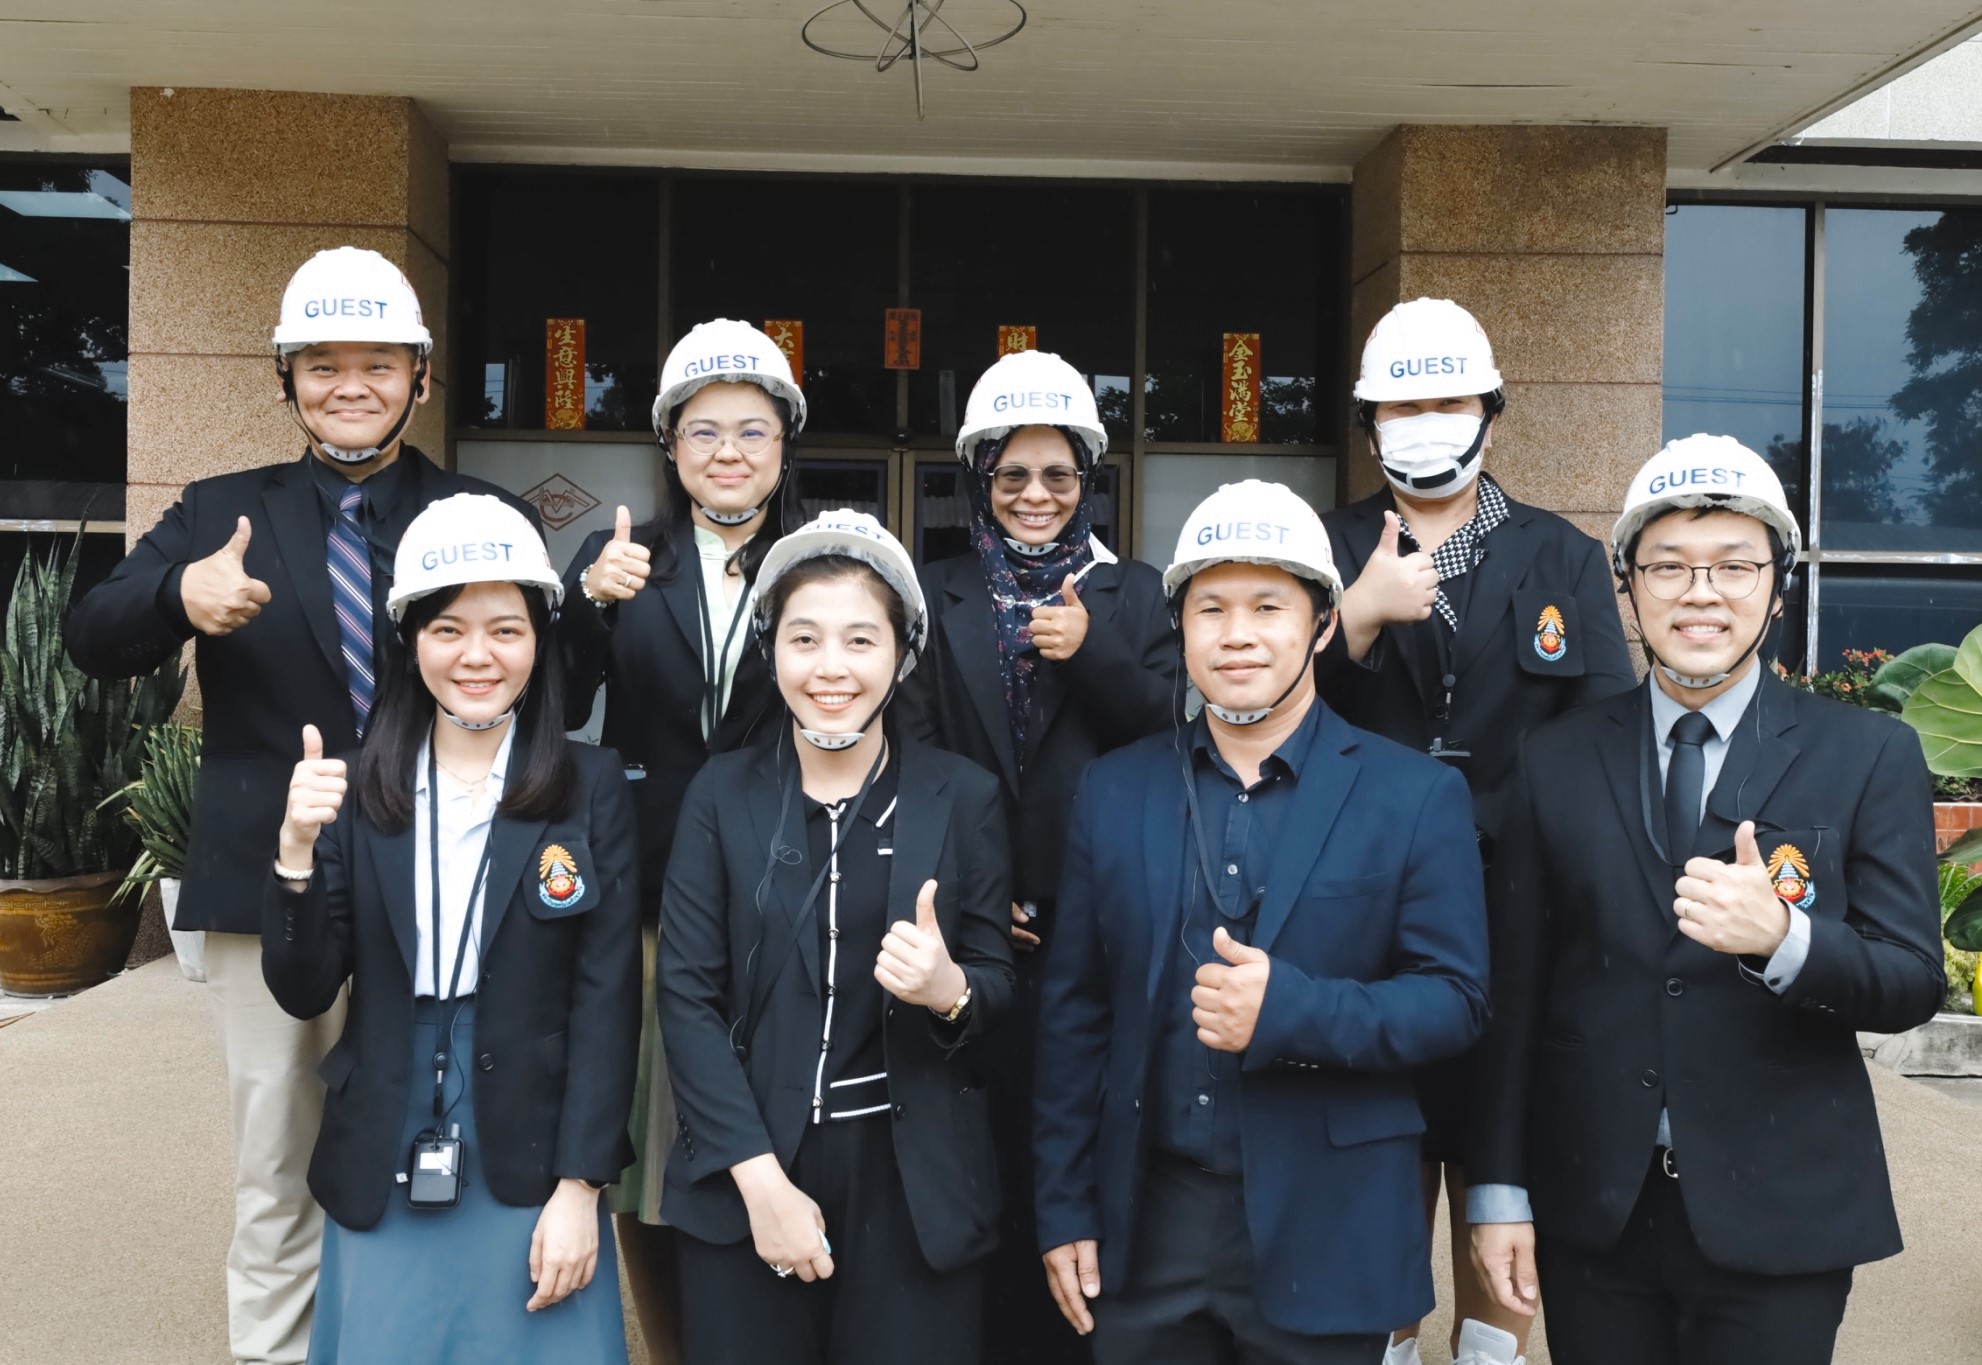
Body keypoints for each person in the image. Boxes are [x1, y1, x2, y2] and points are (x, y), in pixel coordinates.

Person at [64, 247, 537, 1365]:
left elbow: (549, 671)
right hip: (267, 877)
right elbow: (89, 636)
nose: (351, 386)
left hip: (450, 872)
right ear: (286, 380)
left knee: (451, 1132)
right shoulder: (220, 510)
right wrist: (178, 593)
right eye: (323, 365)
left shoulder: (479, 513)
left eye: (379, 364)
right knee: (279, 1154)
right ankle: (277, 1352)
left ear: (421, 377)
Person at [1467, 435, 1945, 1365]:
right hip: (1593, 1206)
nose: (1701, 592)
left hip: (1782, 1206)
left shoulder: (1867, 755)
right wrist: (1497, 1189)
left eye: (1734, 565)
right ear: (1628, 586)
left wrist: (1786, 938)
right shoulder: (1555, 758)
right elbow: (1513, 994)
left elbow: (1911, 979)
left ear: (1777, 587)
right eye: (1669, 566)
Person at [1033, 479, 1490, 1365]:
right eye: (1210, 608)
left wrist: (1293, 1009)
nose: (1236, 633)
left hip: (1331, 1224)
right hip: (1146, 1225)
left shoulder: (1415, 794)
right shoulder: (1114, 789)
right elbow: (1074, 1015)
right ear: (1180, 628)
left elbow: (1456, 1000)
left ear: (1323, 622)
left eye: (1268, 606)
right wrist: (1063, 1205)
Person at [1317, 297, 1634, 1365]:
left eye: (1446, 402)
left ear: (1491, 412)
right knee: (1378, 1157)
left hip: (1522, 915)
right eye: (1399, 407)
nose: (1423, 424)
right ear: (1369, 422)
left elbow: (1606, 735)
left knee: (1507, 1169)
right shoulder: (1325, 546)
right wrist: (1356, 616)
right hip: (1362, 918)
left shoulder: (1563, 557)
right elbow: (1255, 707)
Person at [261, 492, 639, 1363]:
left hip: (534, 1139)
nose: (477, 656)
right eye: (448, 630)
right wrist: (293, 852)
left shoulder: (589, 786)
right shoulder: (355, 786)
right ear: (409, 640)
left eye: (506, 629)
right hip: (384, 1125)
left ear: (539, 640)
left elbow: (607, 1002)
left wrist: (582, 1186)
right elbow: (303, 988)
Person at [659, 510, 1017, 1365]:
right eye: (804, 638)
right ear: (770, 649)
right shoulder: (720, 793)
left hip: (914, 1184)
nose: (830, 667)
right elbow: (686, 995)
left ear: (902, 652)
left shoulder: (963, 796)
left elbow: (999, 981)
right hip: (749, 1164)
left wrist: (949, 989)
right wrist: (760, 1183)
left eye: (860, 640)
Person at [898, 348, 1177, 1364]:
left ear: (1087, 480)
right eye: (1011, 474)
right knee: (988, 1146)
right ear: (980, 478)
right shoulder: (935, 591)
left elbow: (1167, 736)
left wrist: (1090, 651)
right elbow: (918, 754)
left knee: (1084, 1142)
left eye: (1058, 474)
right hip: (978, 929)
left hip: (1101, 925)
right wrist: (985, 893)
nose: (1034, 494)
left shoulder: (1135, 593)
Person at [555, 318, 806, 1359]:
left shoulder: (822, 555)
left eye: (752, 430)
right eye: (704, 430)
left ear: (784, 443)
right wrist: (585, 606)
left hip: (793, 875)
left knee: (784, 1115)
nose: (728, 452)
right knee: (653, 1140)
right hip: (653, 883)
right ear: (669, 443)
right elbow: (554, 702)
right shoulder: (621, 557)